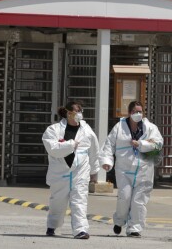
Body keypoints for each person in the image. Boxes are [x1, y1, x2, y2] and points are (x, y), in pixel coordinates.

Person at [99, 100, 163, 237]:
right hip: (124, 169)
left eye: (140, 111)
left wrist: (141, 144)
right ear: (129, 113)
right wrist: (107, 161)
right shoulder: (119, 127)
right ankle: (119, 221)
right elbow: (109, 144)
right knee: (125, 197)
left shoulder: (150, 128)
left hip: (144, 170)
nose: (137, 114)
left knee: (139, 200)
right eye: (135, 112)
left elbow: (158, 144)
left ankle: (135, 228)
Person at [41, 101, 100, 239]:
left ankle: (81, 230)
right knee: (58, 202)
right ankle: (52, 225)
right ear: (68, 113)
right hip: (60, 173)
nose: (79, 114)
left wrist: (94, 171)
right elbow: (53, 149)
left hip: (80, 172)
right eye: (76, 111)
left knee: (79, 200)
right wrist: (71, 144)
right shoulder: (53, 130)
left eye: (80, 111)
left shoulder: (87, 130)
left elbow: (94, 151)